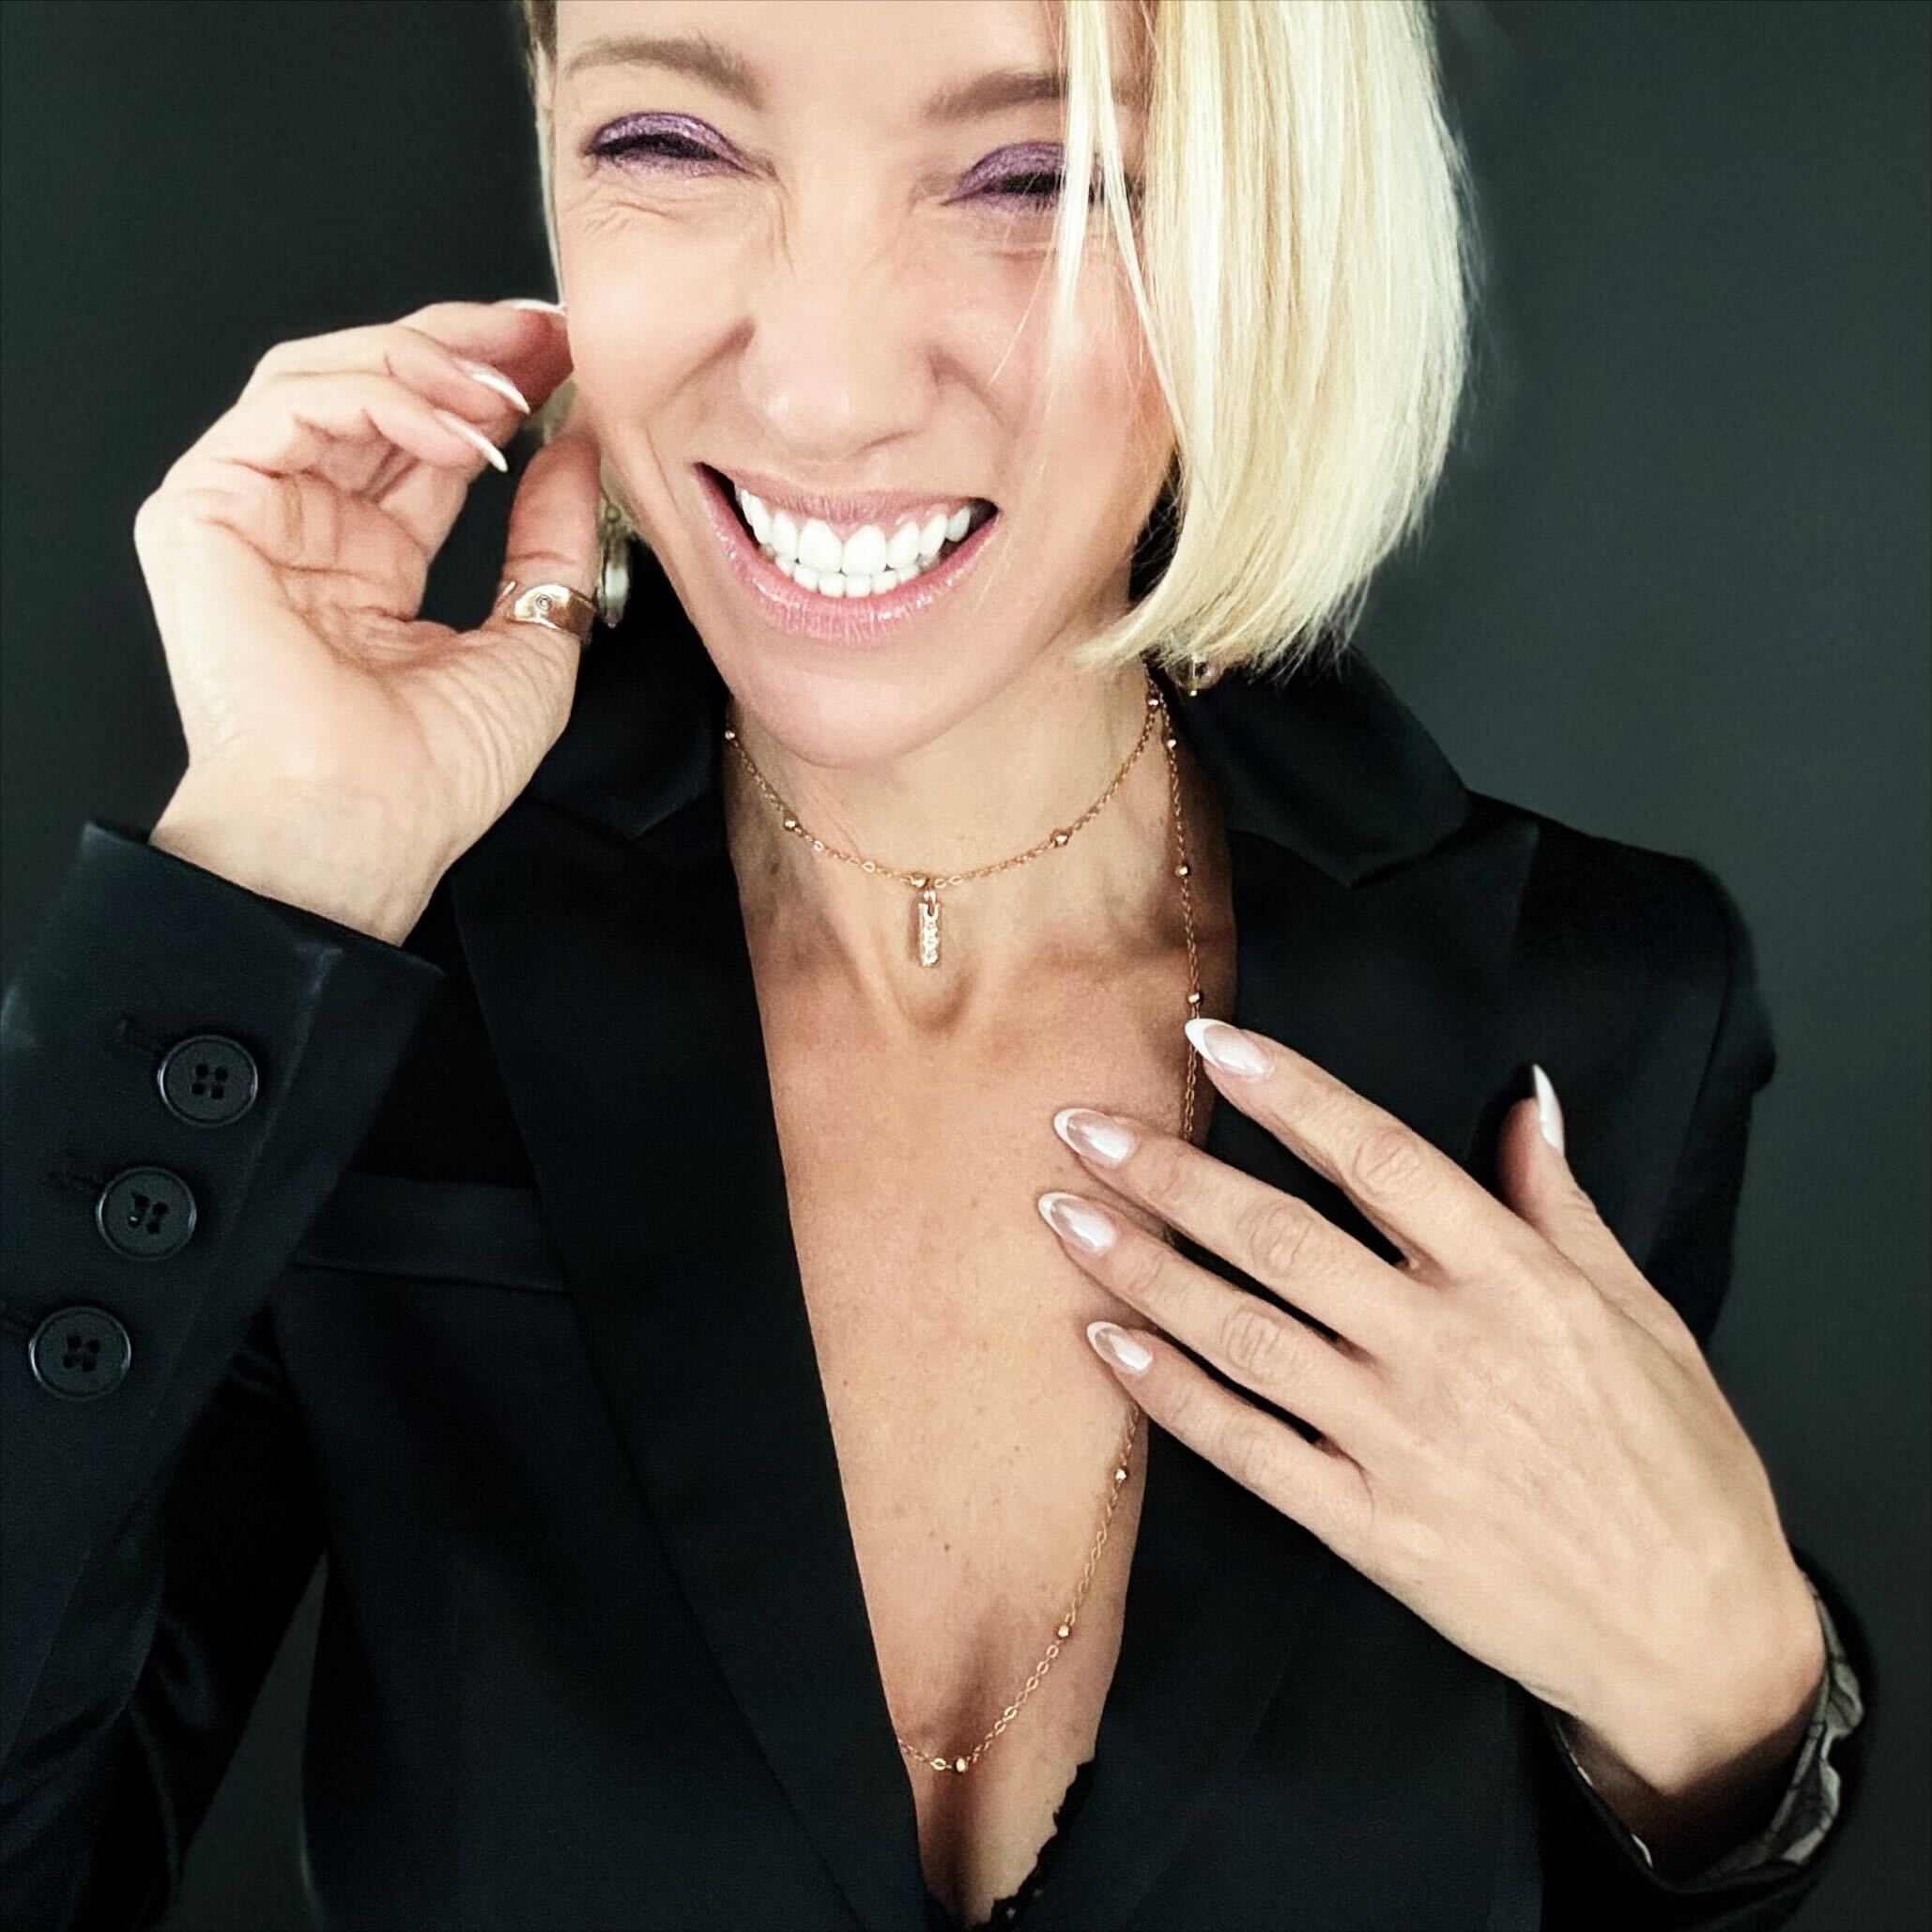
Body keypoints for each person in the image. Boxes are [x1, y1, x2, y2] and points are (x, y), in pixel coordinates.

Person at [0, 3, 1873, 1929]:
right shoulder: (334, 996)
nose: (823, 391)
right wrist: (273, 867)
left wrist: (1741, 1707)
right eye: (669, 146)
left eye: (1036, 178)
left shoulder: (1594, 1012)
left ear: (1272, 218)